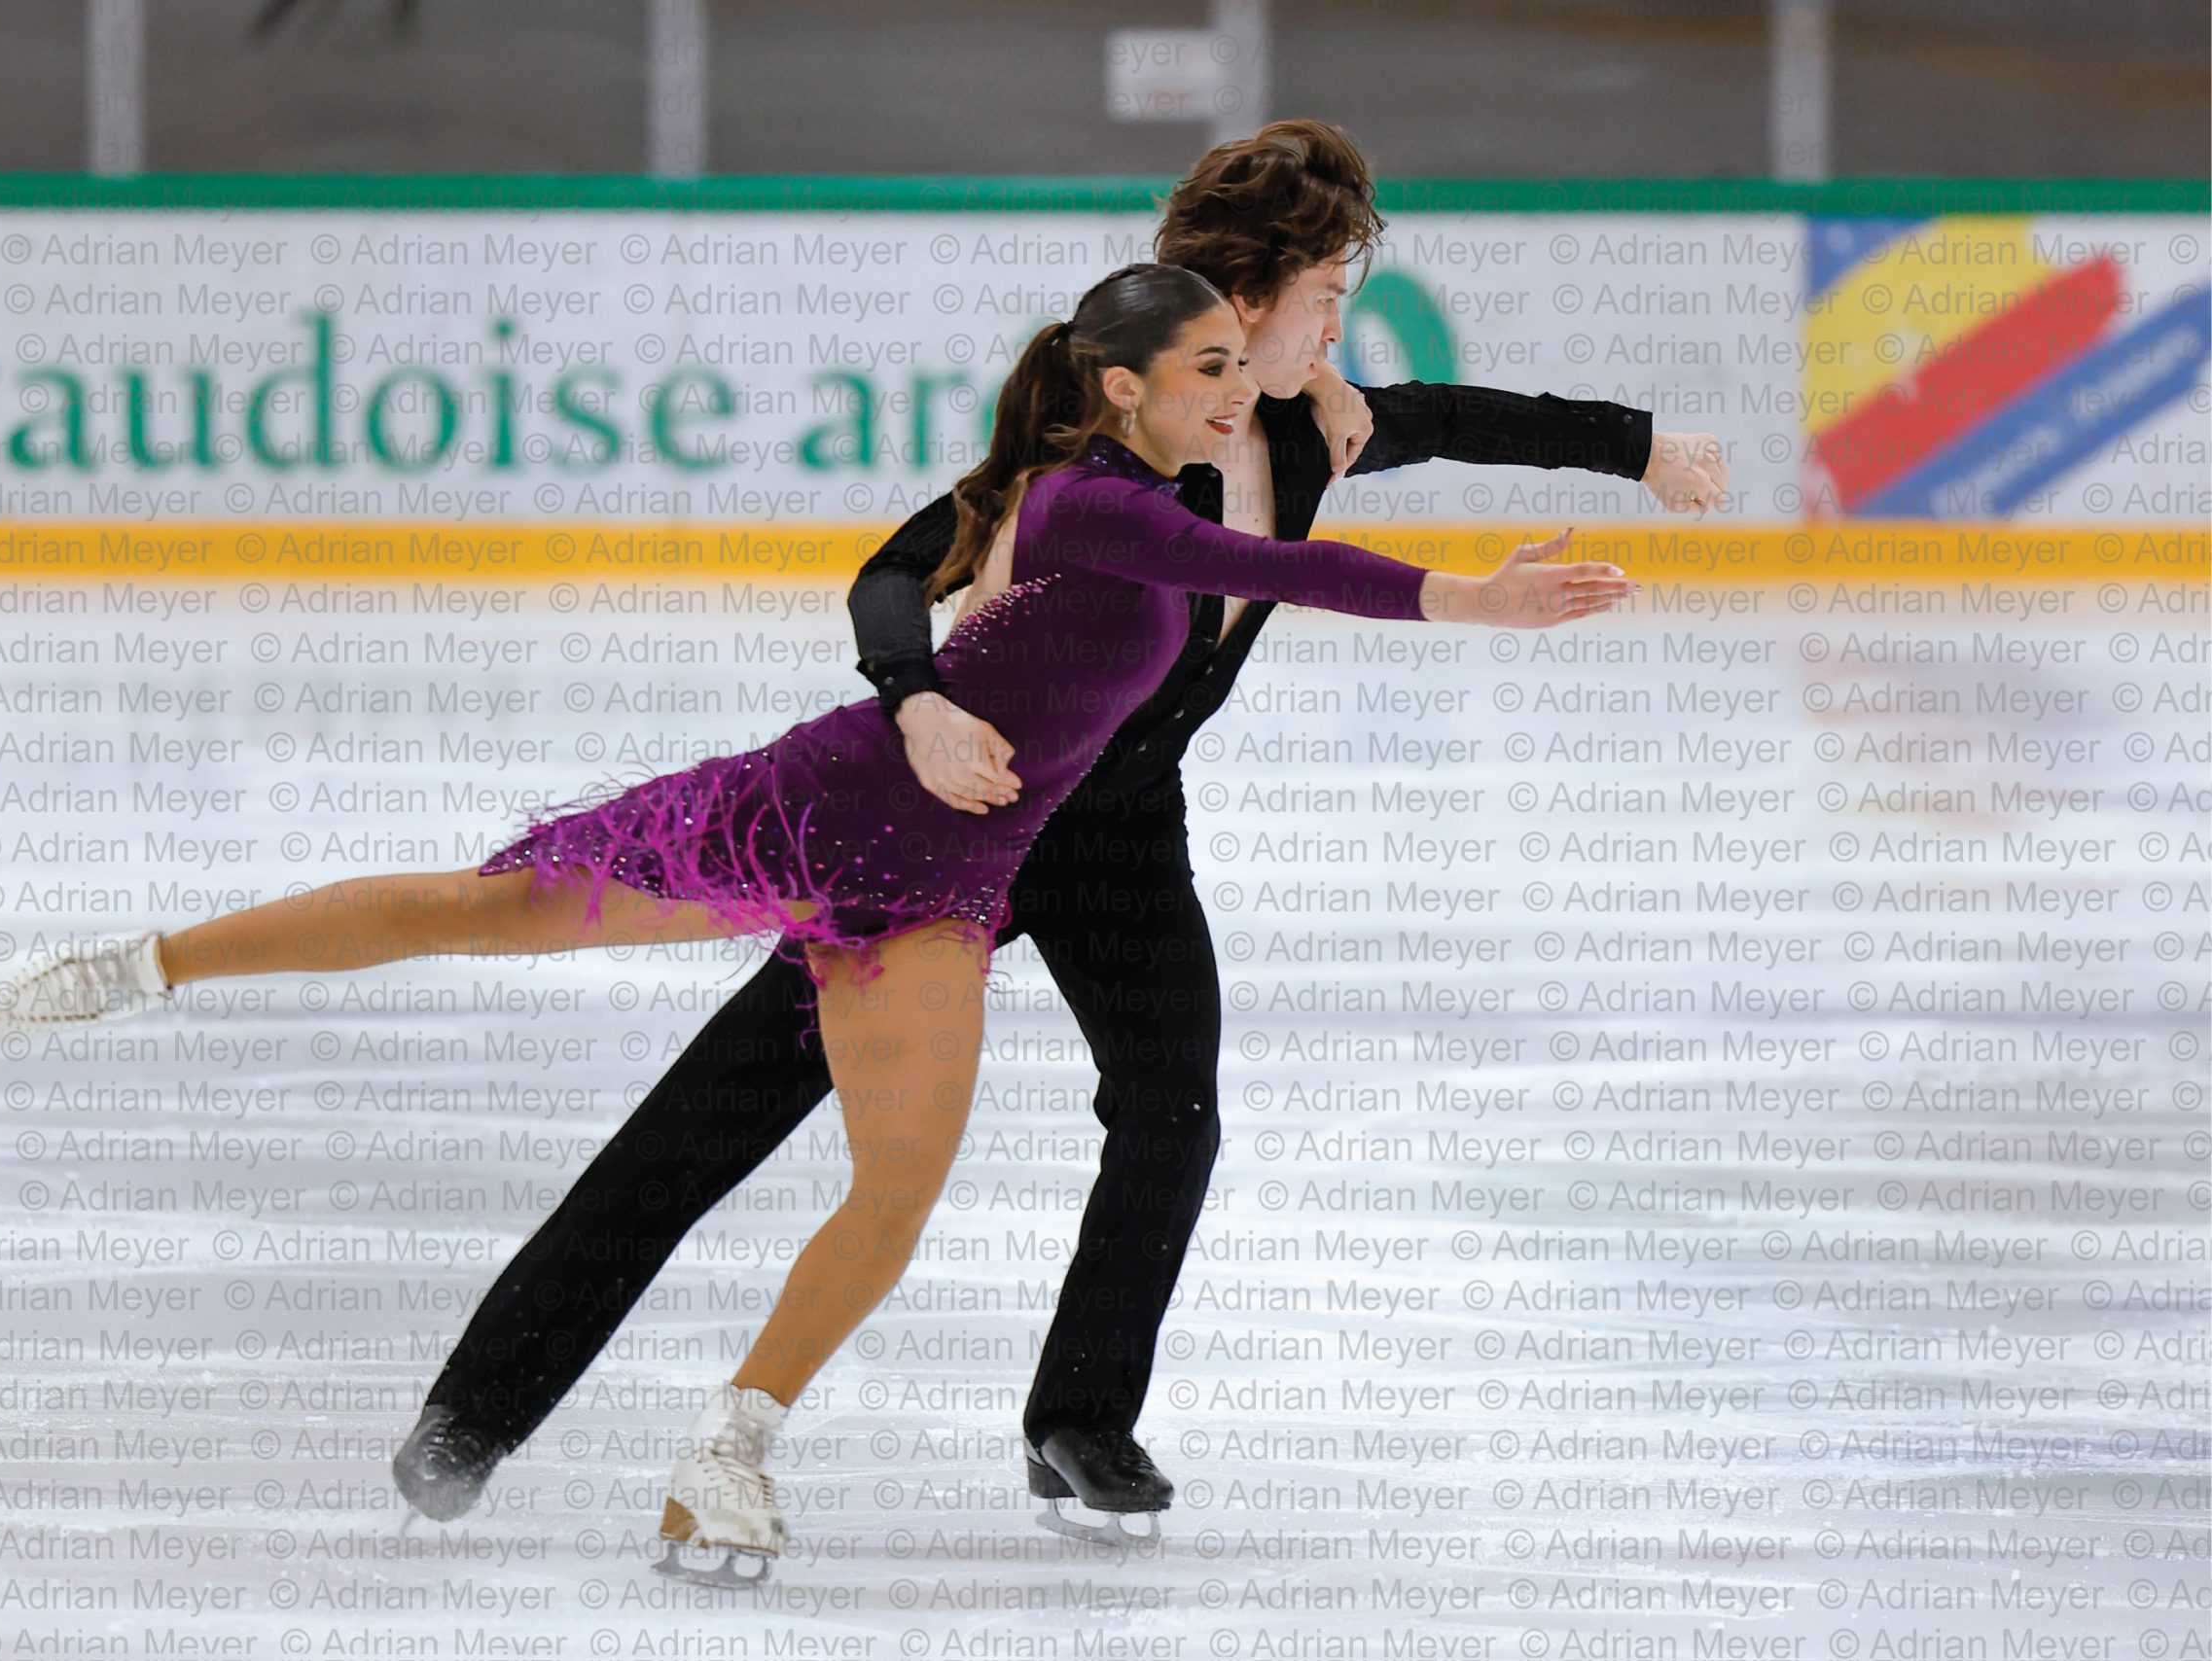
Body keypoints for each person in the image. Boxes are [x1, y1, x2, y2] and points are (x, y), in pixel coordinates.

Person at [0, 261, 1633, 1584]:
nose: (1229, 389)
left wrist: (1514, 454)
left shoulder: (1189, 497)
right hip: (818, 808)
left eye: (1233, 367)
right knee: (477, 910)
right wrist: (1464, 599)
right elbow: (1291, 579)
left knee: (895, 1198)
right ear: (1124, 387)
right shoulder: (1090, 497)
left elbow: (1305, 512)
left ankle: (729, 1455)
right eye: (1204, 369)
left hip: (951, 888)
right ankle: (132, 966)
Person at [395, 120, 1728, 1552]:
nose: (1345, 325)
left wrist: (1638, 447)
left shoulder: (1298, 422)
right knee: (724, 1110)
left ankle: (1079, 1420)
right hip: (957, 816)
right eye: (1328, 294)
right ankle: (477, 1410)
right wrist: (910, 703)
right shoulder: (1095, 459)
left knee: (1172, 1107)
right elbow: (898, 570)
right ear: (1250, 299)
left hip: (1122, 833)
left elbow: (1464, 415)